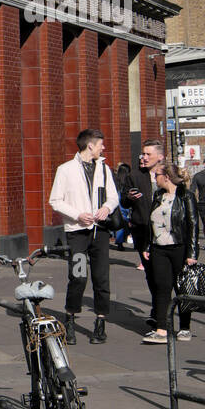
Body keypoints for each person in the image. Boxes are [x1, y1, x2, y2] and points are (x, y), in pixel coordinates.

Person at [49, 129, 120, 344]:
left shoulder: (104, 169)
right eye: (101, 144)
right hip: (78, 233)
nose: (103, 148)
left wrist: (106, 208)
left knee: (101, 278)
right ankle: (70, 318)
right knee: (78, 276)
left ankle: (100, 322)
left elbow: (113, 197)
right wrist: (77, 215)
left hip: (100, 232)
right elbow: (55, 200)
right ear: (90, 145)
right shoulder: (65, 170)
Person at [142, 163, 199, 344]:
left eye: (157, 174)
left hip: (179, 248)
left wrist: (192, 253)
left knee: (181, 288)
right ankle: (162, 329)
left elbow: (193, 225)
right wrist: (147, 246)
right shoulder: (158, 196)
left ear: (166, 176)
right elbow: (150, 223)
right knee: (161, 287)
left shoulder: (186, 196)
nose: (154, 178)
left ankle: (184, 327)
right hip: (159, 248)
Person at [122, 140, 164, 327]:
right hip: (143, 230)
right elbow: (124, 201)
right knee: (152, 272)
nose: (144, 158)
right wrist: (129, 197)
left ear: (160, 156)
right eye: (143, 154)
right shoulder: (135, 176)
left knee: (164, 273)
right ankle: (158, 310)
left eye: (148, 154)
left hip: (166, 231)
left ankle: (163, 311)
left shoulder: (169, 174)